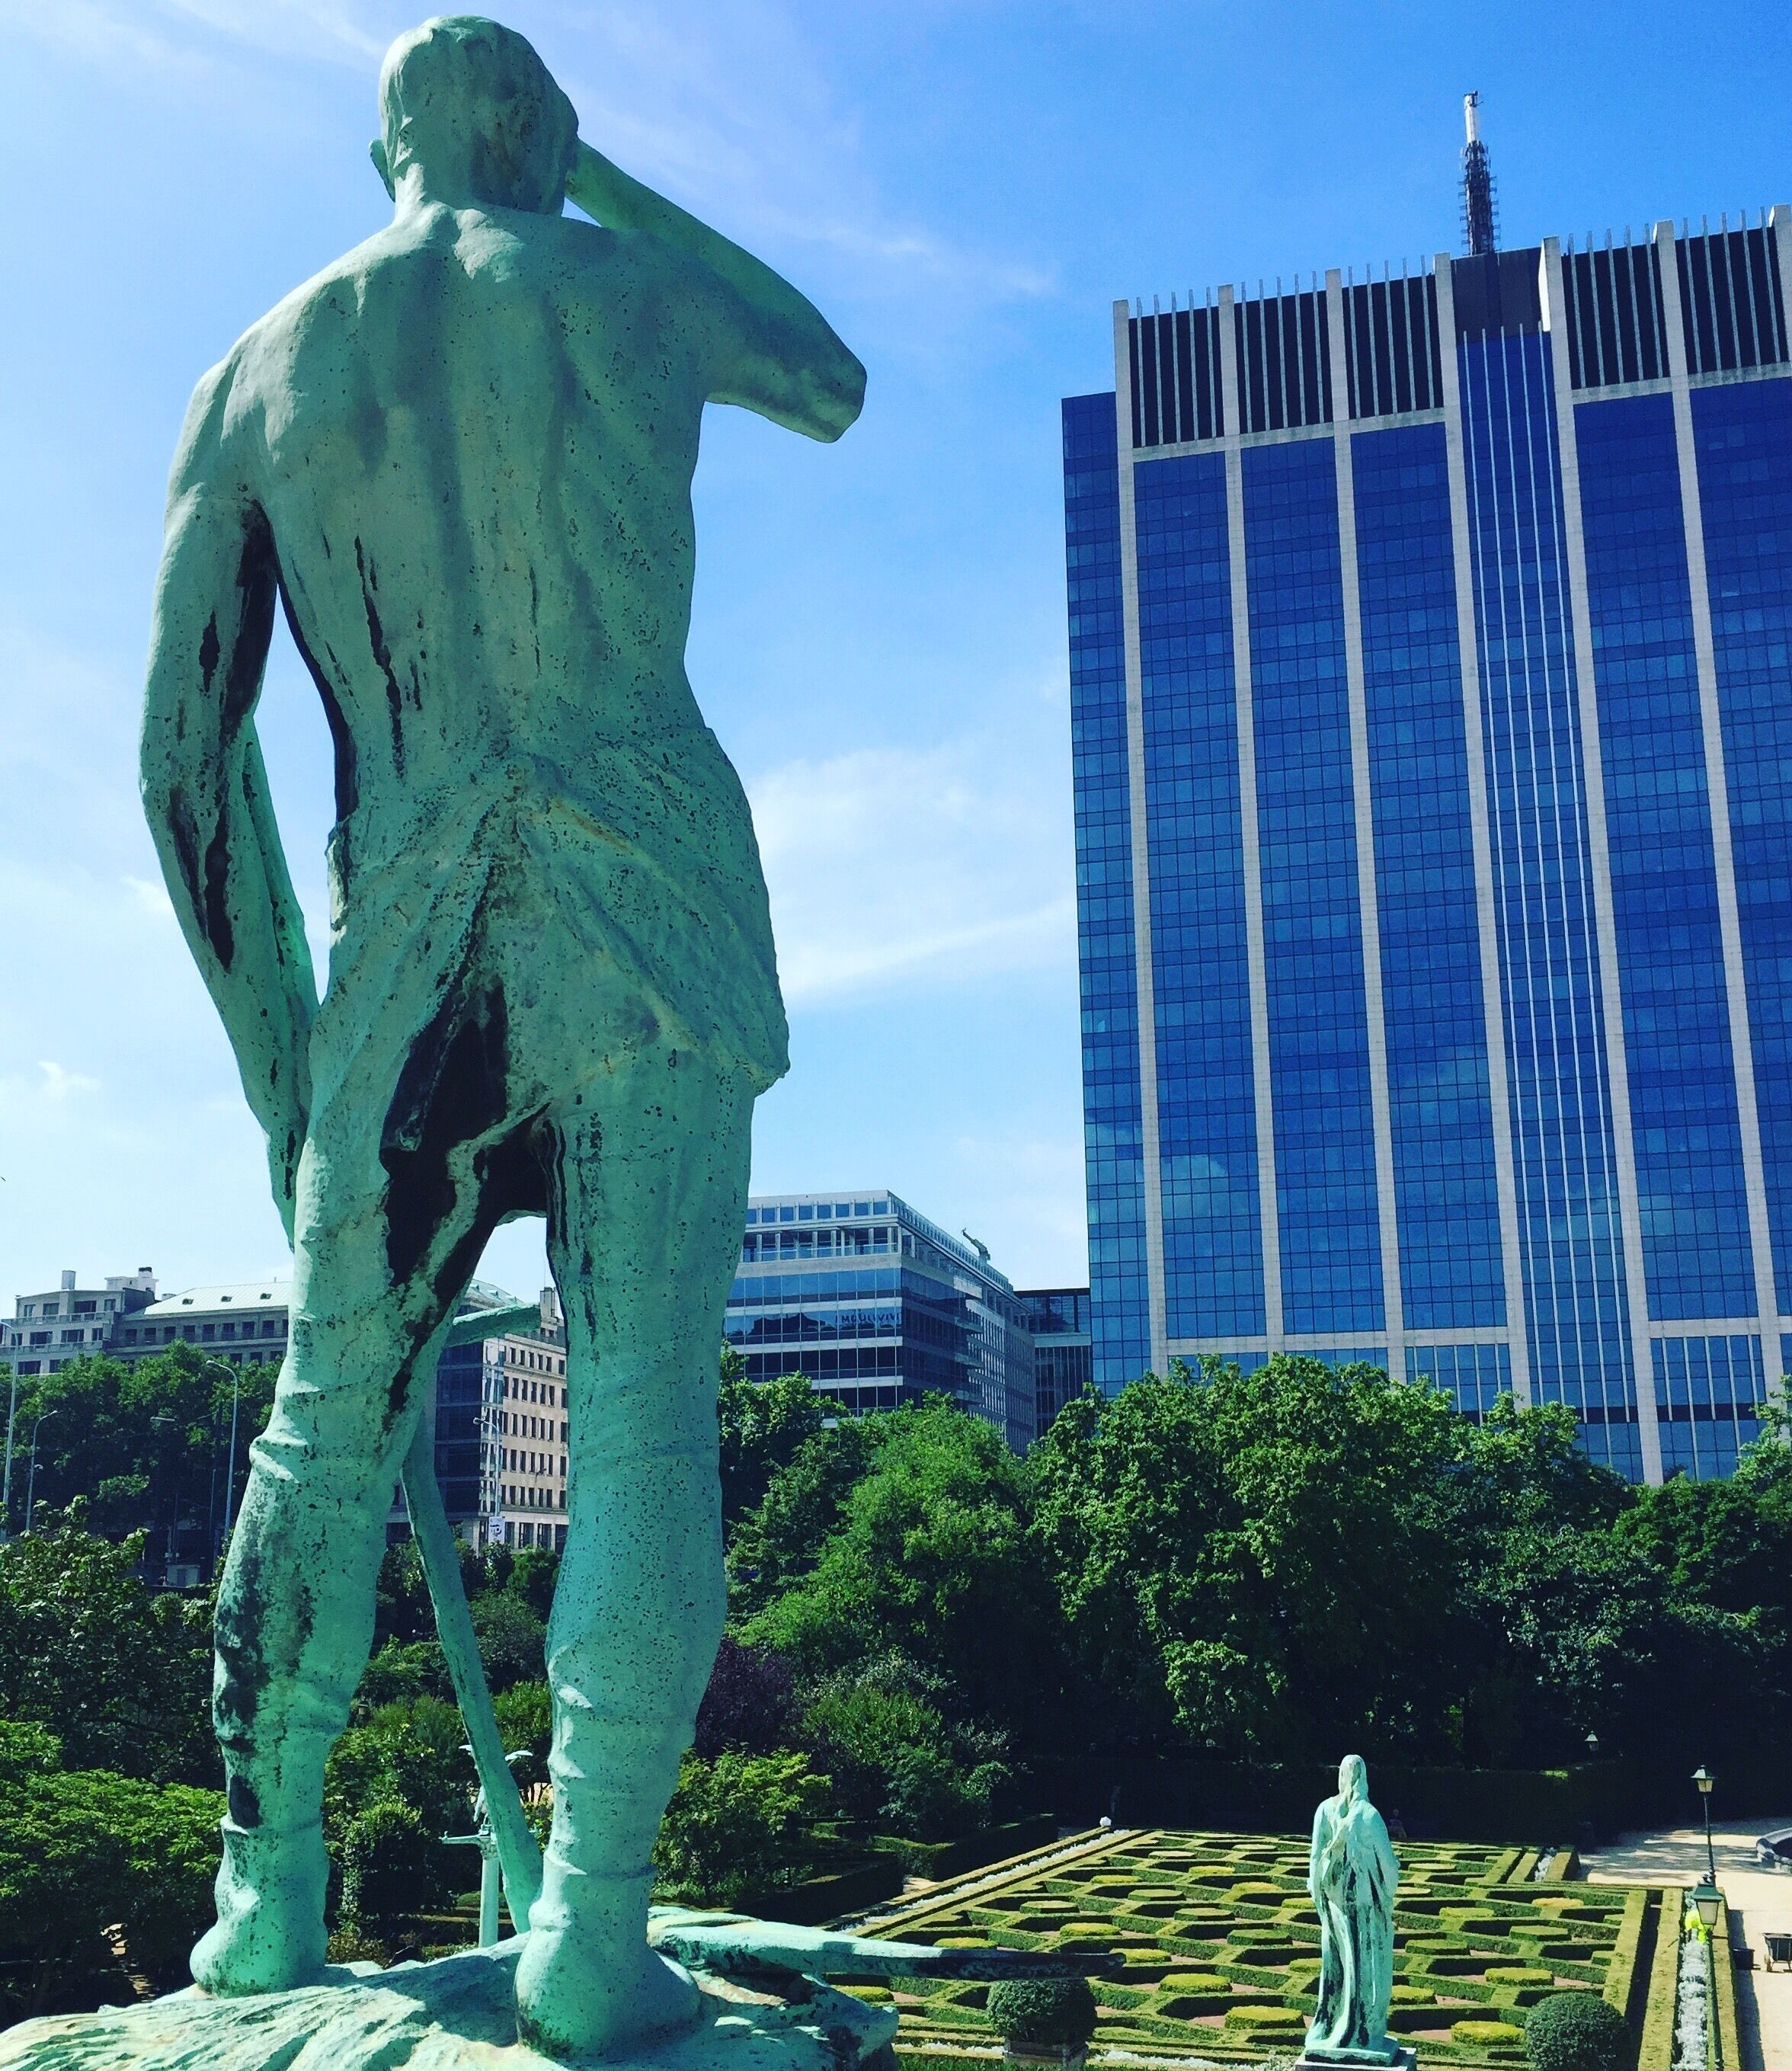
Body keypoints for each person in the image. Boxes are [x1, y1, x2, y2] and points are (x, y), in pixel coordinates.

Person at [141, 15, 862, 2060]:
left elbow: (181, 758)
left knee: (320, 1423)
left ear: (384, 147)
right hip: (650, 894)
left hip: (404, 933)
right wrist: (604, 183)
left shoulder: (257, 370)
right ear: (535, 125)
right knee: (641, 1414)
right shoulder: (620, 278)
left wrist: (284, 1054)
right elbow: (825, 371)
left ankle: (262, 1888)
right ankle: (593, 1926)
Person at [1305, 1755, 1406, 2066]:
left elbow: (1313, 1860)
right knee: (1363, 1967)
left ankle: (1332, 2022)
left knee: (1335, 1964)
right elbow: (1389, 1868)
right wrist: (1391, 1885)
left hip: (1334, 1902)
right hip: (1362, 1903)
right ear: (1363, 1777)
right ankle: (1359, 2030)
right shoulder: (1369, 1815)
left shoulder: (1325, 1809)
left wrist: (1318, 1895)